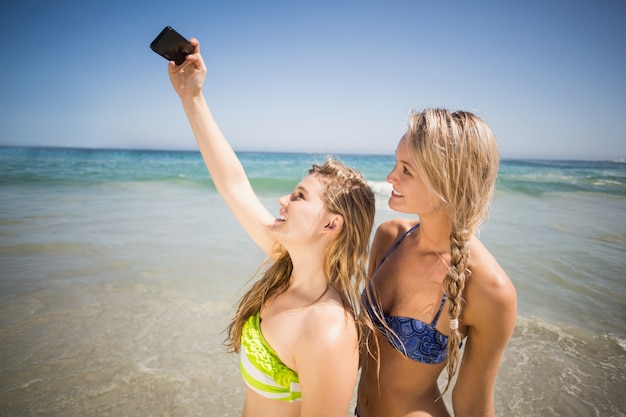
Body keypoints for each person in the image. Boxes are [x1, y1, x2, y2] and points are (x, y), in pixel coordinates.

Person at [166, 39, 376, 417]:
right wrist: (191, 97)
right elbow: (232, 184)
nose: (282, 200)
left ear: (331, 223)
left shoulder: (327, 329)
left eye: (298, 196)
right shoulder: (286, 268)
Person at [356, 109, 517, 417]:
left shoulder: (490, 289)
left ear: (447, 180)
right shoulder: (390, 238)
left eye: (406, 170)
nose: (390, 177)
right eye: (396, 163)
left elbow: (472, 402)